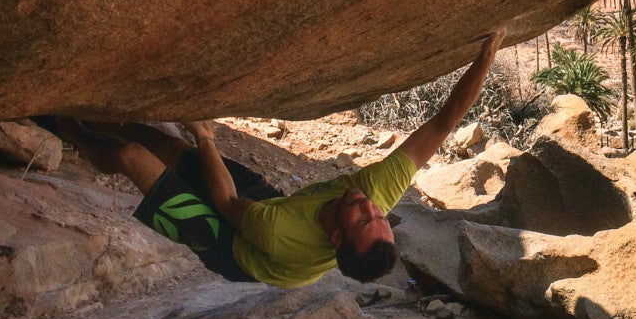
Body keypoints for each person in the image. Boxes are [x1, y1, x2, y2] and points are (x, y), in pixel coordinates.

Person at [41, 31, 505, 287]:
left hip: (234, 246)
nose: (368, 204)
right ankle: (86, 122)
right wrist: (487, 55)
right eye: (378, 214)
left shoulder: (280, 235)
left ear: (339, 235)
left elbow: (225, 205)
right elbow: (440, 128)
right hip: (268, 205)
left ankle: (64, 129)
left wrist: (207, 136)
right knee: (166, 147)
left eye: (364, 218)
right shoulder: (375, 195)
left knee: (131, 155)